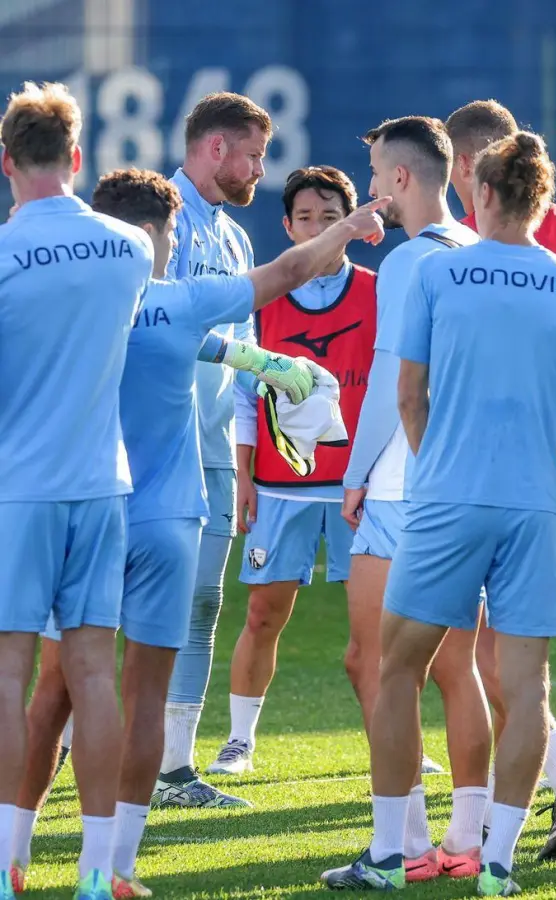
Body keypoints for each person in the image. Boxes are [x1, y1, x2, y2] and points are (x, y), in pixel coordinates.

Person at [12, 167, 384, 898]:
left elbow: (213, 346)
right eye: (175, 233)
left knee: (53, 689)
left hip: (85, 509)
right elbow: (289, 271)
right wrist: (352, 225)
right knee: (144, 693)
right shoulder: (181, 303)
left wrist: (259, 359)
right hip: (168, 517)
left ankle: (13, 855)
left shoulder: (73, 306)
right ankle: (114, 866)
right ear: (157, 232)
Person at [321, 130, 556, 896]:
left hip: (446, 499)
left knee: (398, 671)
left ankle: (390, 856)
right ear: (544, 200)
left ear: (477, 189)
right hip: (533, 509)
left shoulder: (436, 275)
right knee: (527, 688)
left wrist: (435, 457)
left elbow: (406, 394)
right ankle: (499, 865)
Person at [442, 98, 556, 859]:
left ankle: (478, 820)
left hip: (521, 460)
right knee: (493, 650)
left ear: (474, 167)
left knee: (480, 653)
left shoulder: (488, 244)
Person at [0, 80, 153, 900]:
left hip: (17, 487)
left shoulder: (2, 253)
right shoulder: (129, 247)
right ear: (78, 158)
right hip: (101, 485)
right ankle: (98, 872)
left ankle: (1, 865)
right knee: (95, 674)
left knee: (6, 673)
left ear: (5, 163)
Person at [338, 115, 492, 882]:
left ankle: (394, 845)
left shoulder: (406, 264)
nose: (371, 191)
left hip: (404, 487)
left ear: (402, 177)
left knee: (374, 666)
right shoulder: (483, 250)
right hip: (471, 487)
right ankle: (465, 842)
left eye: (374, 176)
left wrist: (357, 472)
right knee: (457, 668)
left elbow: (397, 387)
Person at [208, 166, 371, 776]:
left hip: (362, 488)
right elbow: (247, 397)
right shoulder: (263, 296)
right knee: (262, 614)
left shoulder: (381, 292)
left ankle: (392, 735)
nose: (317, 228)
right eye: (305, 218)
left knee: (376, 625)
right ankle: (240, 741)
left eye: (330, 218)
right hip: (281, 488)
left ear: (351, 225)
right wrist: (245, 477)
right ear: (287, 225)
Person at [156, 91, 274, 811]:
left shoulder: (235, 238)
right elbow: (159, 327)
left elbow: (246, 357)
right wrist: (256, 359)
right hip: (156, 447)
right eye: (255, 154)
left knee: (203, 603)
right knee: (114, 605)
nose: (262, 168)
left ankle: (175, 768)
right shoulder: (156, 219)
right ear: (217, 148)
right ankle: (75, 739)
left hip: (215, 453)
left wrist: (253, 442)